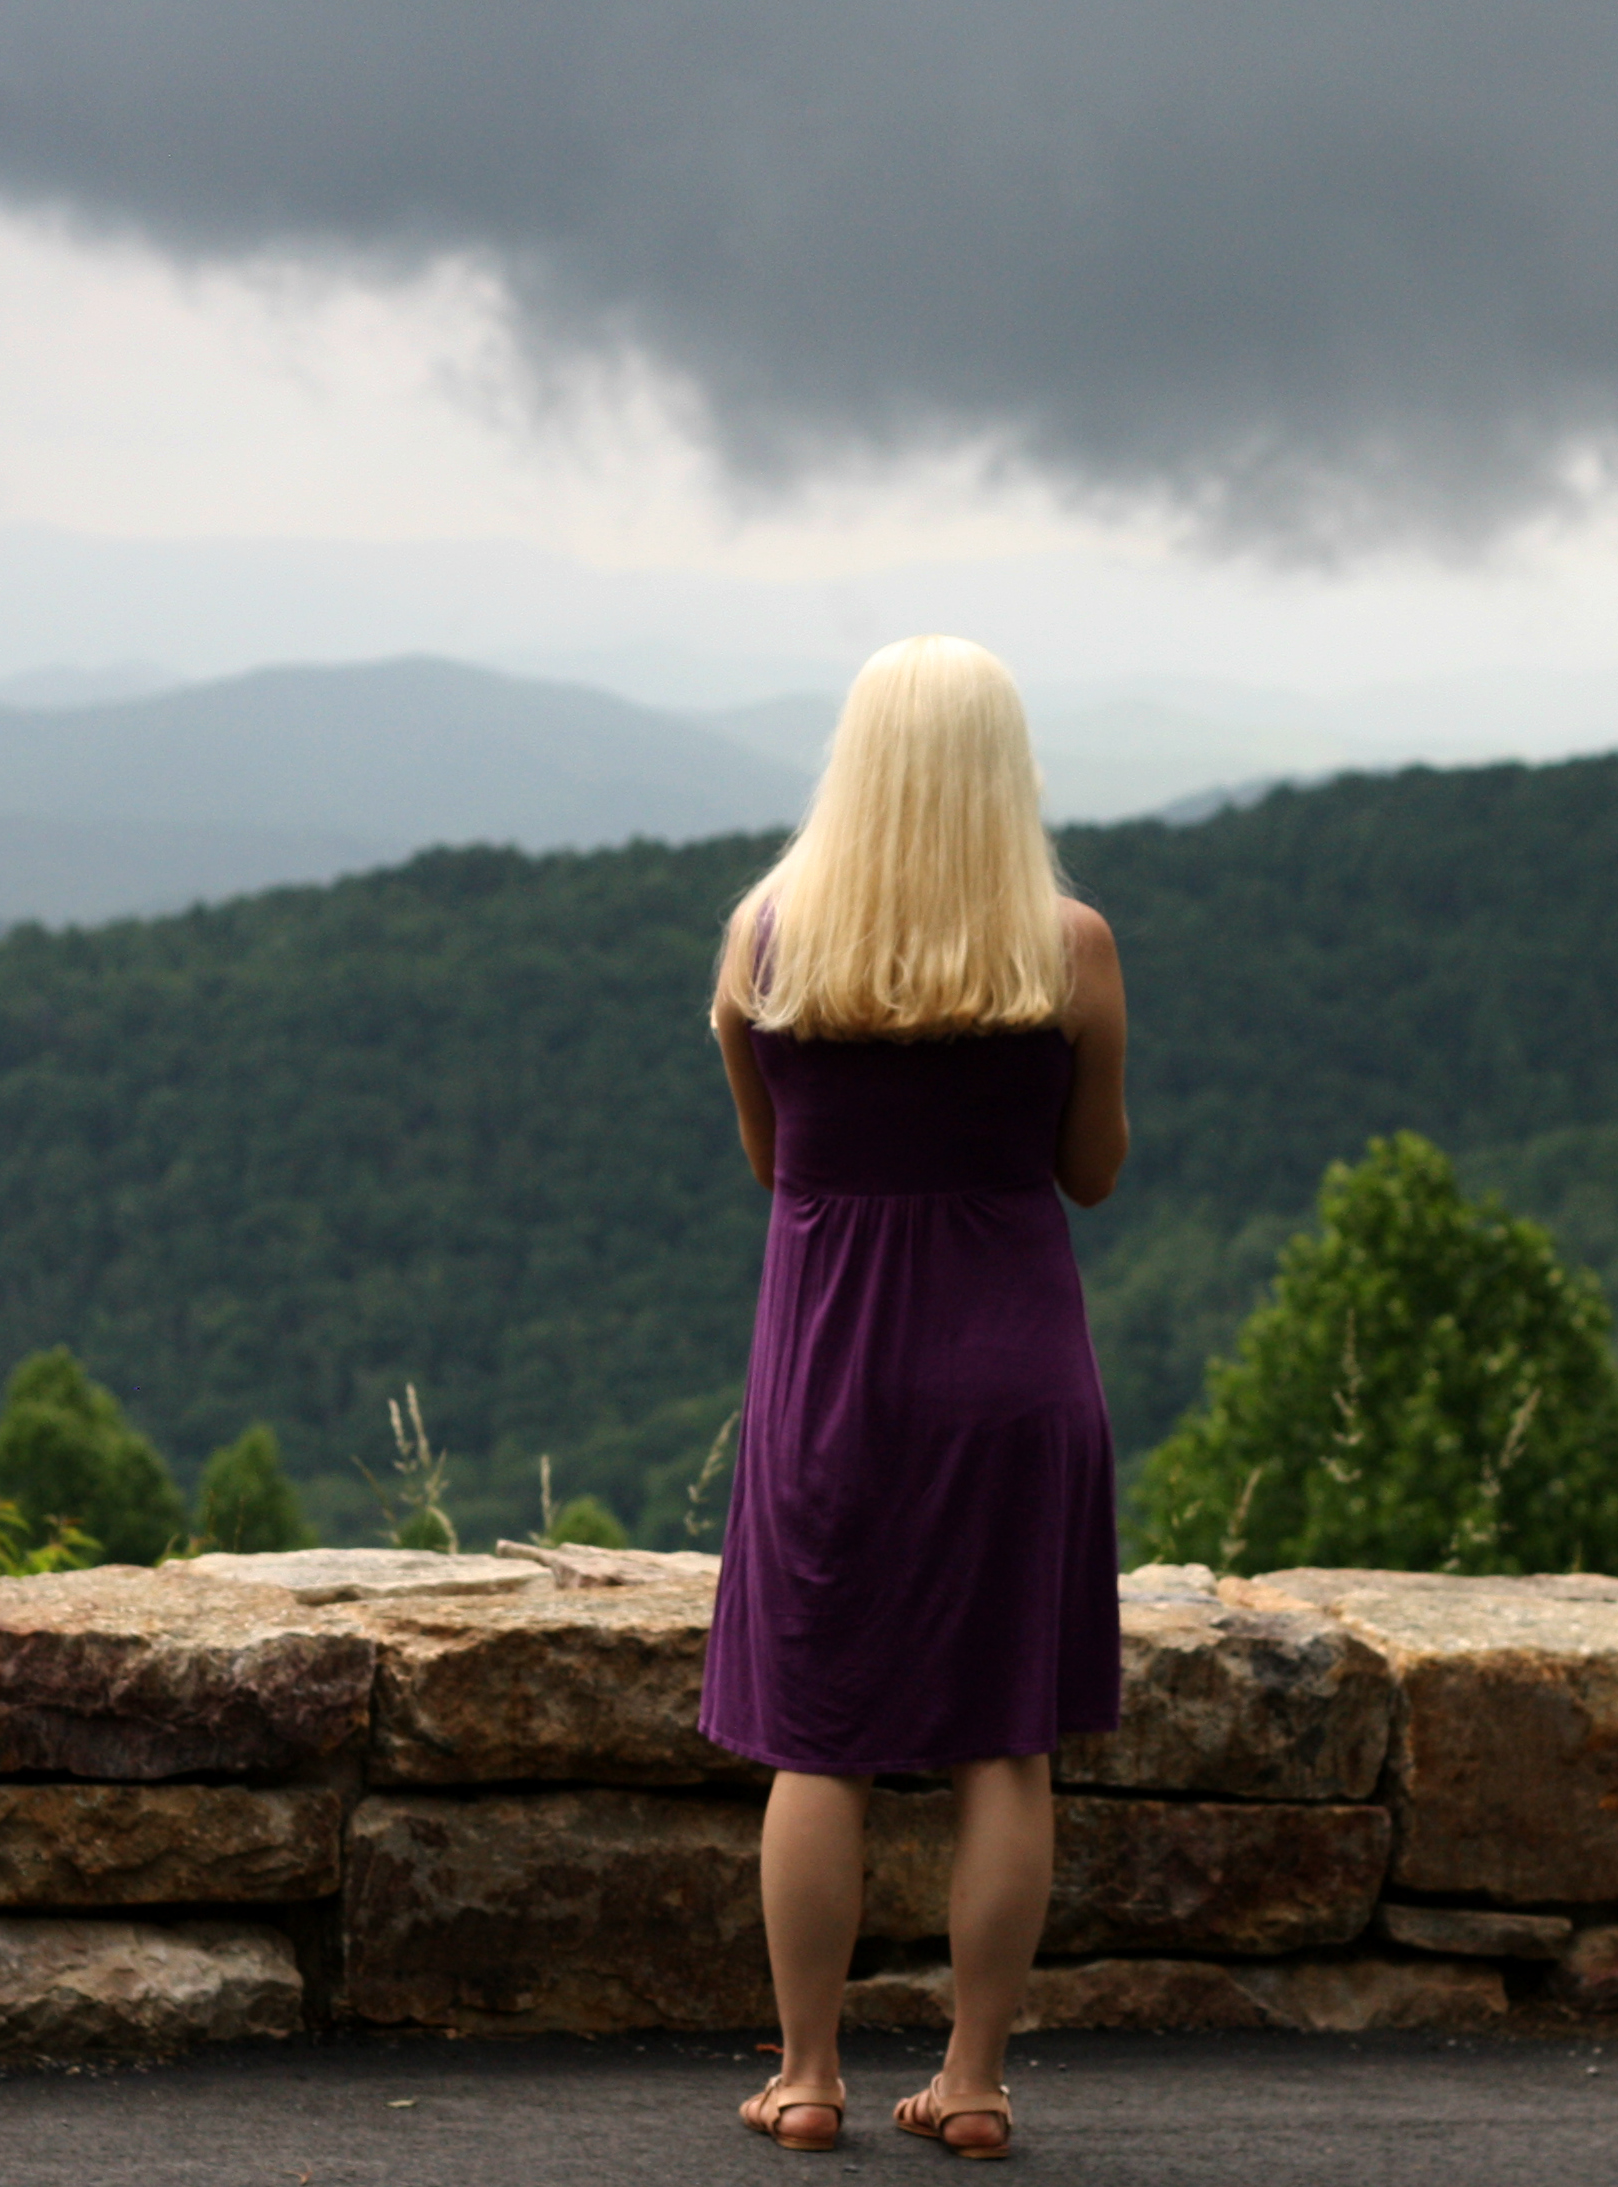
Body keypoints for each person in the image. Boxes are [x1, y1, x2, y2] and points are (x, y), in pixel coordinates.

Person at [700, 634, 1130, 2161]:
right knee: (1005, 1743)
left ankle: (808, 2076)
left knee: (819, 1739)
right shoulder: (1068, 950)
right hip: (1015, 1380)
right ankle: (973, 2083)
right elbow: (1089, 1171)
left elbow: (775, 1164)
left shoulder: (766, 942)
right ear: (1003, 774)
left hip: (835, 1380)